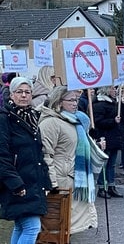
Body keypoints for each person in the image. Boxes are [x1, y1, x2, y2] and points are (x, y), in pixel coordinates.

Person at [38, 86, 100, 234]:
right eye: (71, 100)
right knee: (58, 227)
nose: (75, 103)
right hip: (60, 181)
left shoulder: (74, 120)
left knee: (67, 227)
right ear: (59, 102)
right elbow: (46, 154)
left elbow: (76, 147)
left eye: (76, 100)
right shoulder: (51, 123)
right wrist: (52, 183)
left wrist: (96, 146)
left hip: (73, 179)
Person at [0, 77, 52, 244]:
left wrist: (46, 181)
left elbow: (37, 153)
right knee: (32, 227)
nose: (23, 95)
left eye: (27, 92)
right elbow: (2, 155)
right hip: (16, 183)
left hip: (33, 181)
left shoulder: (33, 117)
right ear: (11, 95)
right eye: (19, 92)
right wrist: (15, 183)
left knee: (22, 226)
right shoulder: (4, 118)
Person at [92, 86, 124, 199]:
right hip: (105, 137)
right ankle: (102, 187)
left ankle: (111, 185)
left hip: (114, 137)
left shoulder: (114, 103)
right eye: (112, 89)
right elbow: (98, 122)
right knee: (104, 164)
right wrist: (113, 121)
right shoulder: (99, 105)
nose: (115, 91)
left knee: (112, 164)